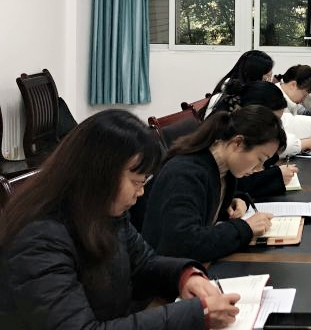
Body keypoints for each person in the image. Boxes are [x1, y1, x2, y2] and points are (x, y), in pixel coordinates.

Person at [0, 109, 240, 329]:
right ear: (100, 174)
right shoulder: (38, 238)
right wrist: (195, 315)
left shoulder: (103, 211)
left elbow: (143, 264)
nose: (141, 192)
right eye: (136, 182)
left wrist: (184, 276)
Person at [142, 105, 285, 262]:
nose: (259, 168)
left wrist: (233, 200)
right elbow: (183, 242)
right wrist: (246, 228)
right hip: (163, 270)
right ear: (238, 143)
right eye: (260, 159)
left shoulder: (223, 170)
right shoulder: (185, 173)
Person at [205, 50, 275, 118]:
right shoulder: (230, 99)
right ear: (255, 75)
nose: (268, 81)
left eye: (270, 76)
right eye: (267, 76)